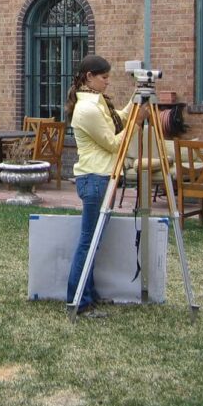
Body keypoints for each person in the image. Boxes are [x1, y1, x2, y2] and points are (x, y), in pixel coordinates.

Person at [64, 54, 137, 315]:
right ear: (89, 77)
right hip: (94, 178)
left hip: (100, 176)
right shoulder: (87, 109)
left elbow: (117, 118)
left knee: (92, 241)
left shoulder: (98, 103)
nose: (108, 82)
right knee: (88, 241)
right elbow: (113, 142)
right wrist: (135, 125)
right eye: (104, 77)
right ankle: (79, 301)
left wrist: (136, 101)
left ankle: (88, 294)